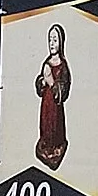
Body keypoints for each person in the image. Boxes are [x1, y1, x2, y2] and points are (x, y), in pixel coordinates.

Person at [34, 23, 69, 172]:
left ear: (61, 42)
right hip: (46, 102)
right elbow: (40, 85)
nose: (52, 44)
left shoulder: (62, 66)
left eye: (55, 40)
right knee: (45, 123)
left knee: (55, 124)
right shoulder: (47, 63)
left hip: (55, 104)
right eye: (50, 40)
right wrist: (42, 81)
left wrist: (52, 82)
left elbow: (64, 90)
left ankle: (55, 148)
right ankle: (46, 146)